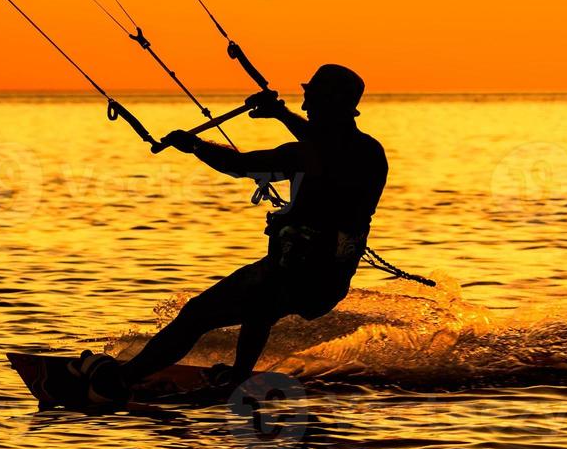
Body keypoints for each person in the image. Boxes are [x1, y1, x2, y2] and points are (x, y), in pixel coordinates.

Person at [62, 64, 387, 406]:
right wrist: (280, 114)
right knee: (245, 306)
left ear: (330, 103)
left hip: (295, 273)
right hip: (326, 280)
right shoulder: (368, 151)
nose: (304, 109)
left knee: (208, 312)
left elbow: (240, 165)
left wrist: (196, 145)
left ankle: (122, 383)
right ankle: (233, 377)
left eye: (311, 102)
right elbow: (328, 141)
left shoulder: (306, 154)